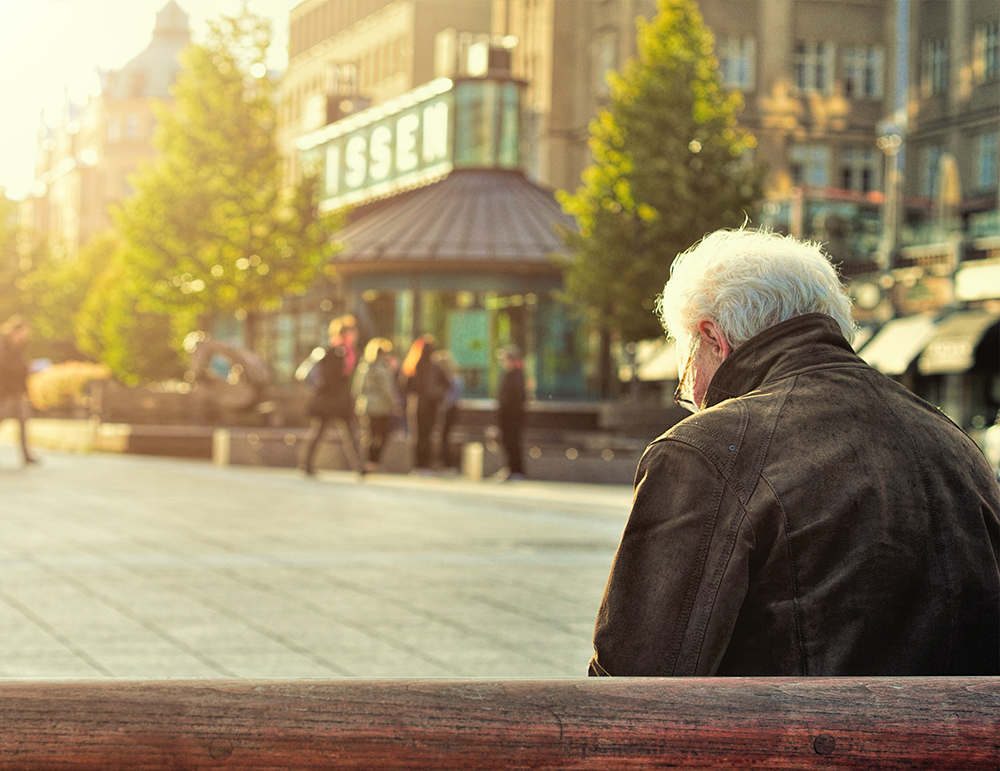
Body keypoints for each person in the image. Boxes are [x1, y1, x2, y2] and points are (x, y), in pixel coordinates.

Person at [590, 228, 1000, 677]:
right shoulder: (953, 440)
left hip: (794, 745)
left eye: (686, 370)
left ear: (713, 338)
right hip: (967, 745)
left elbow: (634, 681)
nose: (692, 395)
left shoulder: (707, 451)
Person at [298, 315, 365, 478]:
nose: (354, 335)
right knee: (320, 432)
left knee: (351, 434)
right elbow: (329, 377)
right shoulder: (334, 351)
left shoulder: (350, 352)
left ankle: (360, 467)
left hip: (341, 401)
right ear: (345, 333)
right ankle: (306, 464)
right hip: (330, 401)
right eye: (351, 331)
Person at [399, 335, 450, 474]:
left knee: (418, 435)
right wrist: (437, 394)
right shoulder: (434, 367)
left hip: (416, 405)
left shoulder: (412, 365)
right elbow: (448, 384)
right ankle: (424, 466)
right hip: (430, 405)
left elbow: (404, 386)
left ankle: (418, 465)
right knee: (426, 435)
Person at [352, 337, 401, 472]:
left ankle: (368, 462)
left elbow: (357, 388)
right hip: (381, 407)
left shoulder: (363, 367)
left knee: (370, 435)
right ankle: (374, 462)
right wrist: (395, 403)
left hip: (366, 406)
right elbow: (388, 389)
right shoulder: (382, 368)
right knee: (383, 434)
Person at [0, 316, 39, 467]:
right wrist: (24, 367)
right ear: (14, 331)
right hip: (5, 392)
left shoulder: (19, 347)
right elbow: (5, 366)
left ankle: (26, 456)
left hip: (17, 392)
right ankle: (27, 456)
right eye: (21, 333)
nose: (23, 336)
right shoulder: (4, 345)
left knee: (23, 421)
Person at [496, 345, 526, 481]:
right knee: (508, 442)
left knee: (512, 442)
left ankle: (515, 470)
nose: (503, 363)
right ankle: (511, 469)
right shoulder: (511, 375)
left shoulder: (516, 375)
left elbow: (515, 398)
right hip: (508, 416)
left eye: (505, 360)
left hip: (512, 416)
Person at [432, 349, 463, 472]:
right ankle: (445, 463)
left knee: (445, 436)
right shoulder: (455, 377)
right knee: (444, 436)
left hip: (449, 410)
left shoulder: (452, 378)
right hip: (450, 409)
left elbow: (452, 397)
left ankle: (448, 463)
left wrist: (441, 408)